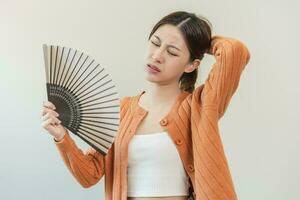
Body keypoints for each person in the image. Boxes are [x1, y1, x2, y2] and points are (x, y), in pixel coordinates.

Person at [41, 11, 250, 200]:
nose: (157, 56)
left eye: (172, 52)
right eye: (155, 43)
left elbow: (236, 53)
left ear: (191, 65)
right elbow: (90, 174)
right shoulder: (121, 110)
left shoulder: (199, 106)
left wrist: (202, 41)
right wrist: (61, 136)